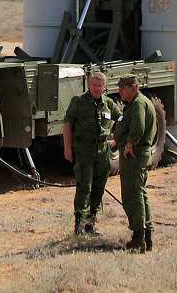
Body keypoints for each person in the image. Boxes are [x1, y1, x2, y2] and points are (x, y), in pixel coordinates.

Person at [62, 71, 116, 236]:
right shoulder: (78, 101)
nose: (96, 88)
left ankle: (91, 224)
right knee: (84, 187)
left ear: (104, 87)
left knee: (99, 187)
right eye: (94, 85)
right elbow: (67, 123)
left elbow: (122, 119)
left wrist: (117, 139)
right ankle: (79, 225)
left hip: (103, 151)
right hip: (84, 149)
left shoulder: (108, 103)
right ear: (89, 85)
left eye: (100, 86)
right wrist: (67, 148)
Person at [113, 74, 157, 253]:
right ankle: (146, 236)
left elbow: (139, 126)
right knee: (140, 192)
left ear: (133, 88)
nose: (120, 92)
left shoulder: (139, 103)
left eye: (123, 88)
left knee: (133, 194)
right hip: (138, 154)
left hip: (135, 155)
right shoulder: (138, 102)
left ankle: (139, 237)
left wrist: (129, 144)